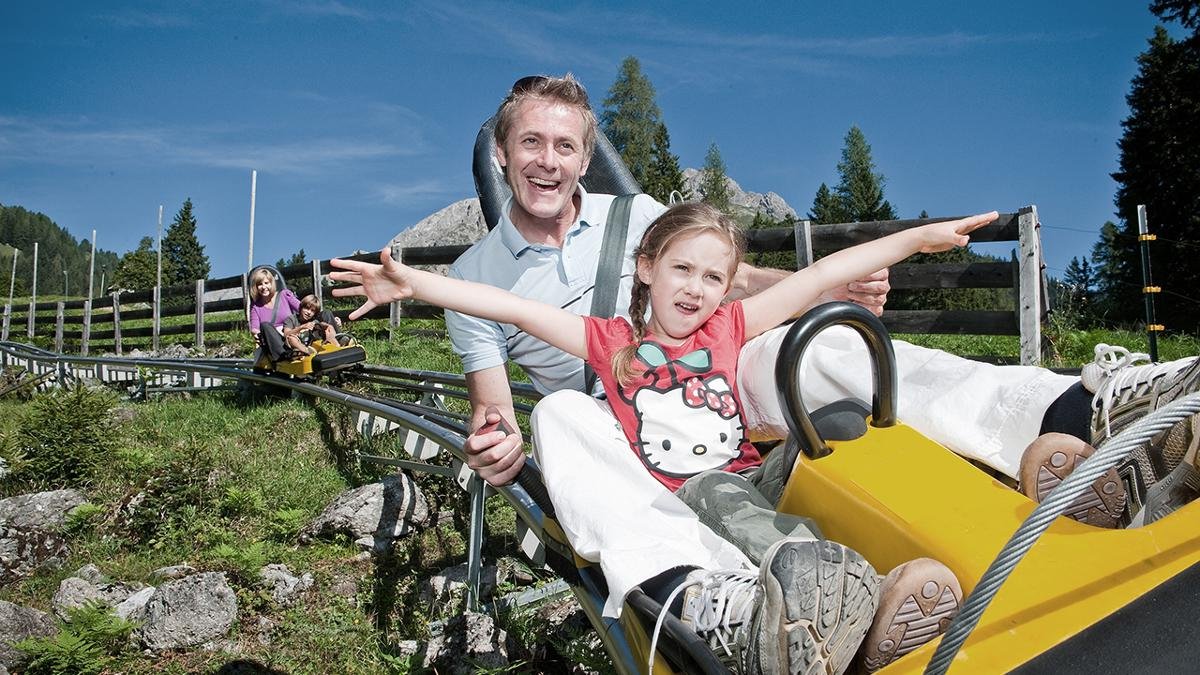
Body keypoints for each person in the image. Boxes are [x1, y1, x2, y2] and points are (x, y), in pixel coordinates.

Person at [331, 201, 987, 673]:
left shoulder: (728, 328)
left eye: (711, 277)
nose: (696, 289)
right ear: (646, 268)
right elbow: (508, 307)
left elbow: (819, 278)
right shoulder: (611, 344)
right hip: (695, 491)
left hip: (752, 470)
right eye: (682, 269)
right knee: (734, 507)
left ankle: (887, 565)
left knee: (835, 434)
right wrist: (413, 284)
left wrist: (917, 237)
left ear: (726, 288)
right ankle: (849, 598)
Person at [248, 267, 300, 361]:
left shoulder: (284, 295)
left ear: (271, 283)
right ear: (255, 287)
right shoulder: (255, 306)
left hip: (292, 333)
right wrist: (257, 334)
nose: (264, 287)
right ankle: (285, 355)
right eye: (260, 284)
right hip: (274, 340)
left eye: (266, 283)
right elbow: (254, 328)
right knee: (265, 326)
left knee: (324, 313)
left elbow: (302, 308)